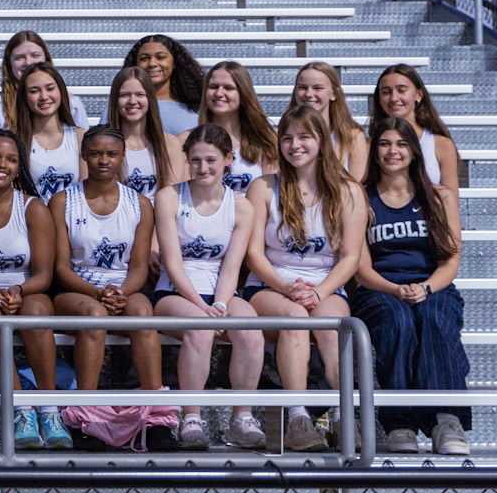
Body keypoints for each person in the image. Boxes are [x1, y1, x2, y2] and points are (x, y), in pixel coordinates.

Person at [243, 106, 364, 453]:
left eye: (304, 137)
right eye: (287, 138)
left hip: (325, 282)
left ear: (322, 142)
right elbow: (254, 254)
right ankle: (298, 417)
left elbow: (351, 257)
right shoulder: (264, 187)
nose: (295, 145)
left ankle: (343, 416)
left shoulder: (347, 190)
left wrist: (319, 291)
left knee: (332, 325)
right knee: (295, 319)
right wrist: (286, 288)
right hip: (270, 285)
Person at [354, 116, 469, 455]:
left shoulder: (439, 197)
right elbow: (360, 267)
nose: (393, 151)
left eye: (401, 144)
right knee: (397, 321)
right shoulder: (361, 198)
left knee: (434, 318)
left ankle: (447, 420)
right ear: (375, 152)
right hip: (379, 289)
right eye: (385, 144)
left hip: (433, 285)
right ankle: (399, 424)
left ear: (415, 151)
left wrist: (428, 288)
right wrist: (393, 289)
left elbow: (451, 261)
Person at [0, 129, 71, 451]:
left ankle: (49, 410)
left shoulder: (33, 207)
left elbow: (44, 275)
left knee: (36, 310)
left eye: (11, 159)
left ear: (19, 167)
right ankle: (21, 407)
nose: (1, 164)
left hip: (27, 287)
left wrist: (18, 290)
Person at [151, 124, 265, 451]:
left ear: (229, 159)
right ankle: (192, 417)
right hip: (175, 291)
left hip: (220, 292)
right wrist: (205, 309)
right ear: (187, 160)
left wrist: (221, 303)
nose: (204, 168)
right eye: (196, 160)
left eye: (212, 160)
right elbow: (172, 263)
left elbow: (231, 266)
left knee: (250, 331)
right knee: (200, 330)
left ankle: (242, 419)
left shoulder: (241, 206)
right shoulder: (169, 197)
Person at [49, 128, 164, 430]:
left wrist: (120, 292)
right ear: (83, 155)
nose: (103, 160)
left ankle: (155, 415)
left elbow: (139, 267)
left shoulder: (140, 204)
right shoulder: (62, 201)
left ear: (123, 157)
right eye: (96, 153)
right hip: (77, 288)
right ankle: (84, 413)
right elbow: (60, 268)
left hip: (123, 285)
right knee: (94, 315)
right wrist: (99, 293)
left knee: (142, 313)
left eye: (112, 154)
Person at [370, 64, 459, 189]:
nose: (394, 98)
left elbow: (451, 202)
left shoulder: (441, 145)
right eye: (386, 92)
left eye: (401, 90)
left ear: (419, 95)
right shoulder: (368, 145)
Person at [0, 31, 90, 133]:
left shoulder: (71, 103)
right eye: (20, 58)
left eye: (35, 55)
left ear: (46, 60)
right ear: (9, 64)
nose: (28, 63)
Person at [103, 66, 183, 200]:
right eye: (125, 95)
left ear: (150, 99)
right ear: (115, 100)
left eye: (140, 94)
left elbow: (172, 200)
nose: (132, 101)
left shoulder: (171, 144)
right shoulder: (103, 146)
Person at [199, 61, 278, 192]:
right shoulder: (186, 140)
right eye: (213, 86)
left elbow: (269, 197)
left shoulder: (267, 141)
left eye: (228, 88)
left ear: (243, 95)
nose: (219, 93)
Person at [14, 63, 84, 201]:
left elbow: (87, 194)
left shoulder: (81, 138)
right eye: (34, 91)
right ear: (25, 97)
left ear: (61, 90)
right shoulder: (16, 141)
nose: (44, 96)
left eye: (50, 88)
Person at [291, 61, 369, 182]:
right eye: (302, 87)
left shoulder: (353, 137)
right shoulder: (285, 137)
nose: (309, 94)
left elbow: (355, 188)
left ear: (334, 93)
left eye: (318, 88)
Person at [124, 35, 204, 132]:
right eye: (144, 58)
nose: (152, 63)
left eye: (160, 57)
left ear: (174, 63)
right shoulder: (123, 108)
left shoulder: (196, 110)